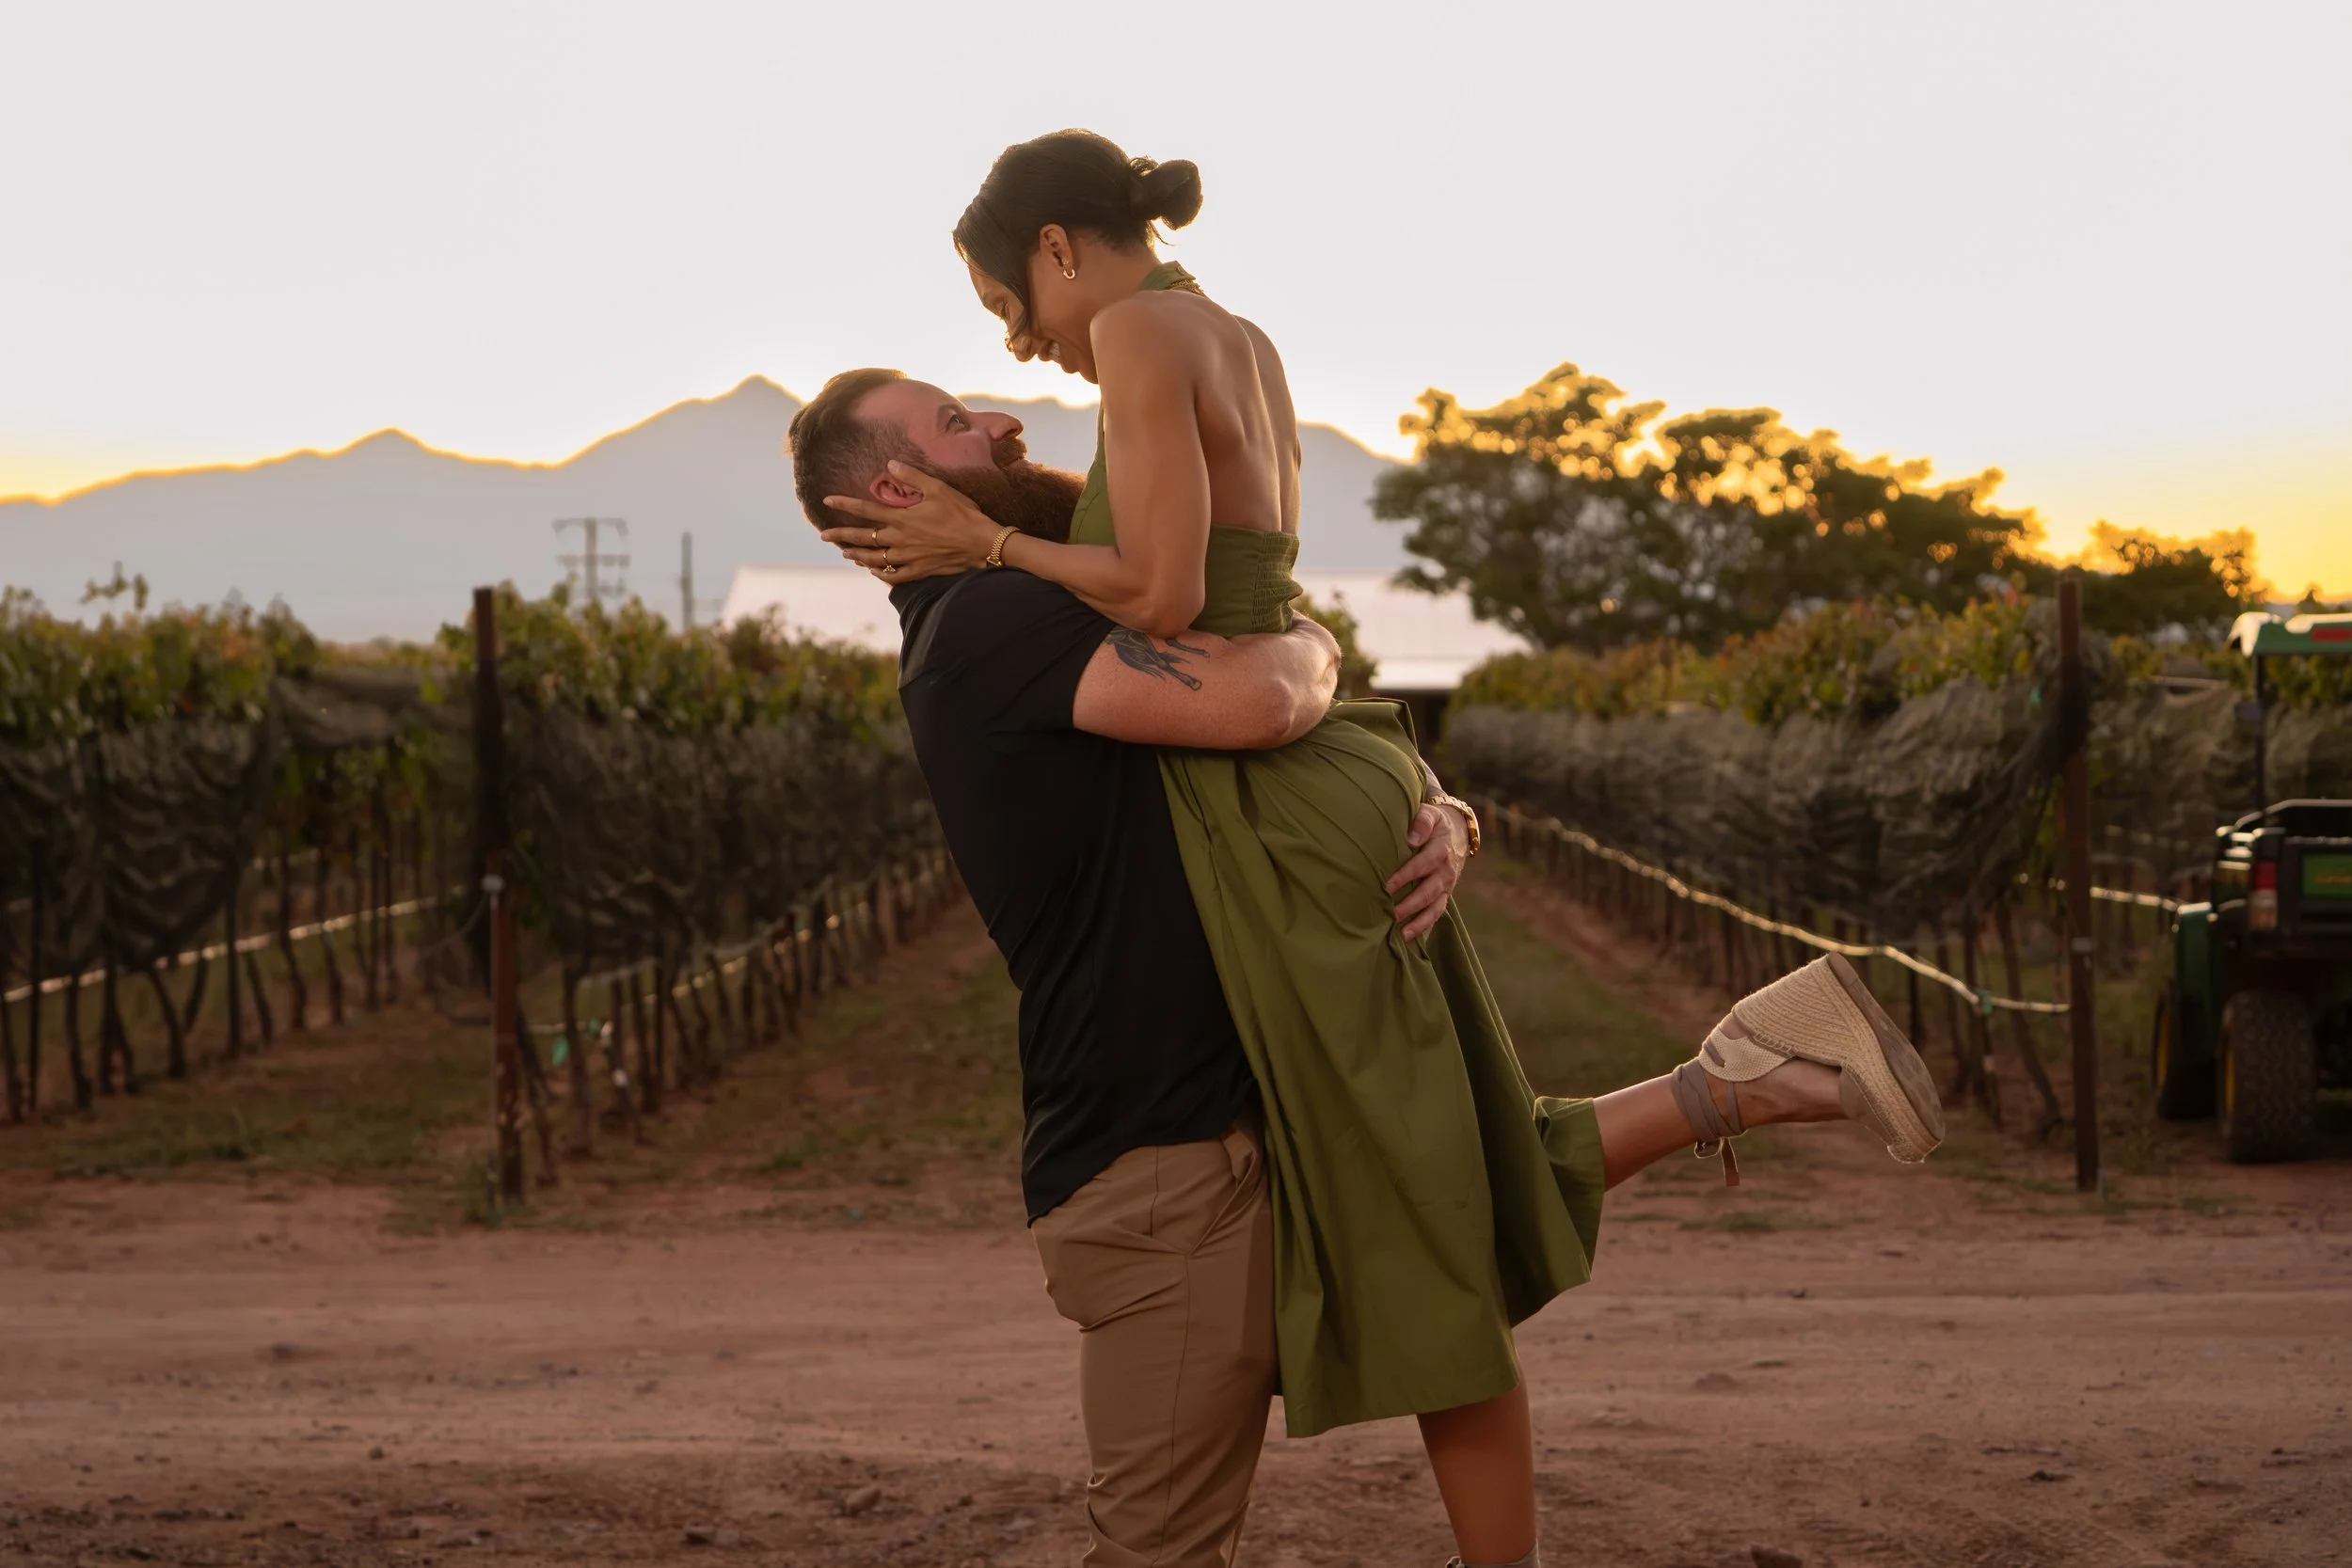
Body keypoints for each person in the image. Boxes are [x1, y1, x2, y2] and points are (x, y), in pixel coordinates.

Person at [789, 367, 1944, 1568]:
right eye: (955, 422)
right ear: (894, 485)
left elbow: (1256, 696)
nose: (1000, 415)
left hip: (1242, 1086)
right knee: (1159, 1547)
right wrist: (1309, 642)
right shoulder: (982, 625)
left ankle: (1751, 1077)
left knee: (1453, 1201)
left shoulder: (1031, 595)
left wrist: (1433, 803)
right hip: (1160, 1155)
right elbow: (1259, 699)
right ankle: (1749, 1074)